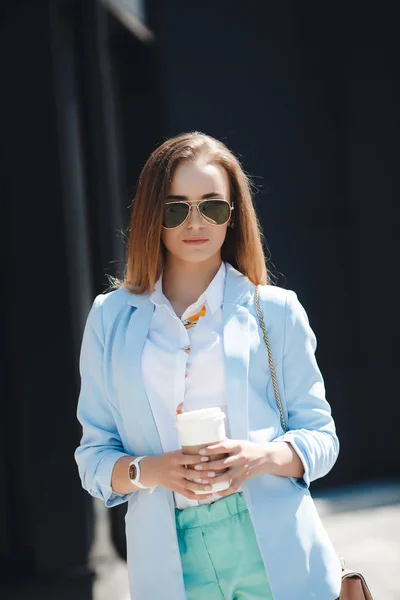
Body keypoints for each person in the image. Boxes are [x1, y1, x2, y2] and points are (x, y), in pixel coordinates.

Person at [74, 132, 342, 600]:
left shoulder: (275, 310)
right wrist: (152, 471)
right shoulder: (110, 318)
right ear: (152, 217)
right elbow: (92, 460)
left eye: (212, 206)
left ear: (232, 215)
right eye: (175, 207)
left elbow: (321, 439)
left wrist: (259, 457)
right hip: (168, 559)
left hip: (276, 550)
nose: (194, 222)